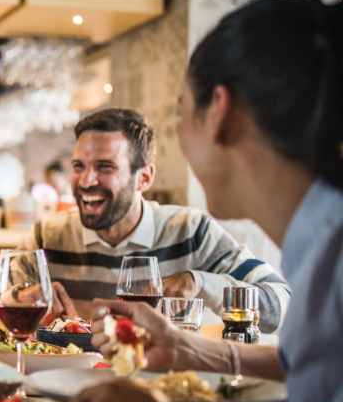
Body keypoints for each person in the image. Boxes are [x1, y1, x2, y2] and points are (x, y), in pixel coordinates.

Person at [73, 0, 343, 402]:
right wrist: (190, 350)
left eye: (180, 113)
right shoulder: (320, 237)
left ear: (219, 111)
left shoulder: (334, 255)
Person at [21, 107, 290, 332]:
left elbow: (280, 304)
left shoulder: (191, 232)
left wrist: (200, 283)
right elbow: (7, 297)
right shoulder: (47, 236)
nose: (86, 180)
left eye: (105, 167)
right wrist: (25, 299)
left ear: (145, 178)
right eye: (79, 166)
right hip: (71, 386)